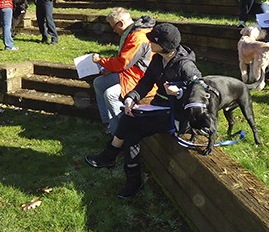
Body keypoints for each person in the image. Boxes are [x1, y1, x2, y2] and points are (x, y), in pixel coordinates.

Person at [85, 23, 202, 199]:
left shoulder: (185, 66)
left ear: (163, 45)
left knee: (130, 121)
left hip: (177, 116)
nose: (148, 44)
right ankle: (132, 180)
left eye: (152, 41)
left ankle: (111, 156)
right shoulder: (157, 58)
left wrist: (180, 92)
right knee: (131, 131)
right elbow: (146, 83)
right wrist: (132, 97)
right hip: (158, 107)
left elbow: (199, 91)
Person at [91, 8, 156, 135]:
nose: (114, 31)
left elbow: (123, 63)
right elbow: (126, 62)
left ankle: (121, 133)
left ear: (120, 23)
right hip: (131, 73)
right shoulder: (133, 33)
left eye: (113, 27)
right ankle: (108, 123)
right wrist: (110, 69)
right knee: (99, 83)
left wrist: (101, 61)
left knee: (110, 94)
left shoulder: (137, 37)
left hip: (141, 78)